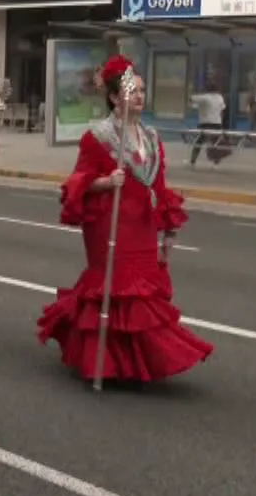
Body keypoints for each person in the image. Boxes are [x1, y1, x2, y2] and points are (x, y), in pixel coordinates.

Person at [37, 55, 212, 383]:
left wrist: (168, 230)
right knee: (114, 289)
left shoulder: (151, 137)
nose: (140, 97)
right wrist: (105, 182)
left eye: (143, 91)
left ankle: (135, 362)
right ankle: (106, 362)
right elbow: (78, 181)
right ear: (115, 97)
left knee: (140, 294)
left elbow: (159, 186)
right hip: (110, 223)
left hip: (142, 225)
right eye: (133, 91)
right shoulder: (99, 137)